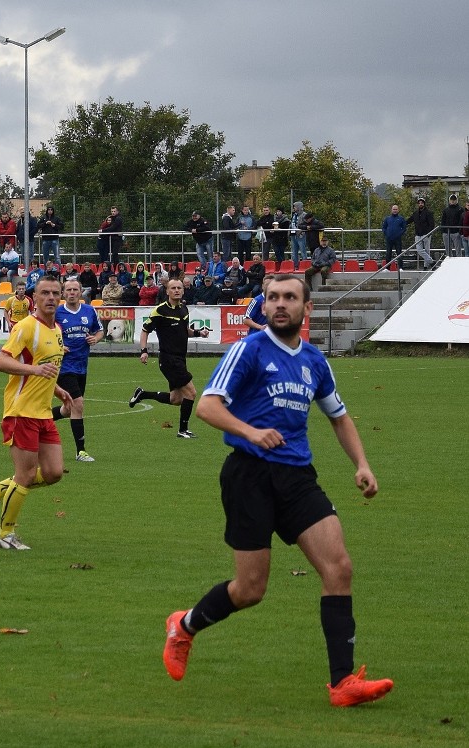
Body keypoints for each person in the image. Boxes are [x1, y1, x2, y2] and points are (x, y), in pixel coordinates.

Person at [163, 275, 394, 708]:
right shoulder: (248, 350)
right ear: (264, 307)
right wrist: (251, 431)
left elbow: (338, 417)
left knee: (339, 568)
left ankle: (342, 683)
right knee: (250, 589)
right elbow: (210, 405)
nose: (280, 304)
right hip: (248, 476)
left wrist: (362, 464)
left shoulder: (314, 361)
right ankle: (184, 625)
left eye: (290, 297)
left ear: (306, 307)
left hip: (296, 477)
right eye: (273, 298)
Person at [0, 275, 72, 550]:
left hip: (43, 413)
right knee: (25, 475)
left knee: (53, 472)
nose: (51, 297)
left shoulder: (56, 329)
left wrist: (58, 390)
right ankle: (6, 534)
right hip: (21, 412)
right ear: (35, 298)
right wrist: (35, 371)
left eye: (56, 293)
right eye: (45, 293)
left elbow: (45, 366)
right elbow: (0, 361)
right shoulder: (27, 327)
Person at [128, 277, 209, 439]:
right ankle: (183, 430)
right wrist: (144, 350)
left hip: (180, 359)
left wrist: (199, 333)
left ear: (184, 290)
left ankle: (142, 394)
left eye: (179, 287)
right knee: (191, 393)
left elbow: (184, 330)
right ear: (167, 291)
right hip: (168, 359)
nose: (177, 290)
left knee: (176, 399)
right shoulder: (160, 310)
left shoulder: (184, 309)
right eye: (173, 288)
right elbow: (145, 331)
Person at [51, 278, 103, 462]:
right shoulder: (56, 312)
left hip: (82, 366)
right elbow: (44, 332)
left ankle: (38, 421)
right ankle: (81, 451)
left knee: (68, 409)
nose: (72, 293)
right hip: (63, 367)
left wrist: (95, 339)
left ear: (81, 292)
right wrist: (57, 347)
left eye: (75, 289)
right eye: (68, 290)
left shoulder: (89, 311)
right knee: (78, 404)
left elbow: (99, 330)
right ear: (63, 293)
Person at [405, 197, 435, 269]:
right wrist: (401, 223)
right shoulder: (415, 213)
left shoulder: (428, 213)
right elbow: (409, 221)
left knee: (427, 250)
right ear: (418, 204)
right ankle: (432, 262)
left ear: (424, 204)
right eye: (419, 203)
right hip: (418, 234)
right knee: (419, 250)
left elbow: (432, 224)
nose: (420, 204)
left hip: (426, 234)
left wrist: (429, 233)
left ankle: (426, 266)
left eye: (422, 203)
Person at [381, 205, 407, 269]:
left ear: (398, 210)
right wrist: (386, 234)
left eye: (396, 209)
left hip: (398, 239)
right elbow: (384, 227)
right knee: (388, 254)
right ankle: (387, 268)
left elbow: (404, 228)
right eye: (393, 209)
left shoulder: (401, 218)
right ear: (391, 210)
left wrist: (399, 234)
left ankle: (400, 268)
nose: (395, 210)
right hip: (389, 239)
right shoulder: (387, 218)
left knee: (399, 253)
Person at [290, 201, 308, 266]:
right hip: (293, 235)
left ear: (298, 207)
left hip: (301, 235)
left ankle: (305, 264)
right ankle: (295, 265)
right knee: (294, 252)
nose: (294, 208)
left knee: (303, 250)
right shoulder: (294, 215)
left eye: (294, 206)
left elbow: (306, 224)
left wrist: (301, 231)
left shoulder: (304, 215)